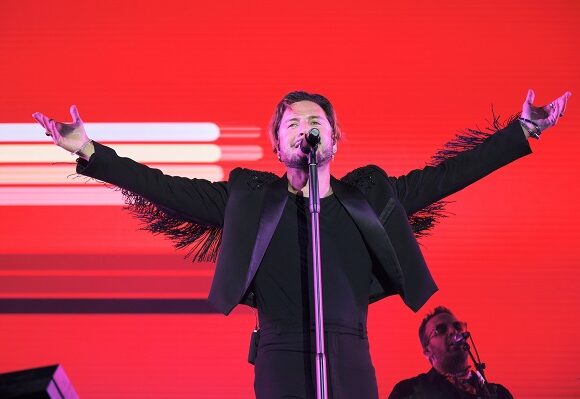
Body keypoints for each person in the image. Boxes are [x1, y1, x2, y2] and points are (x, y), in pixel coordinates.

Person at [32, 89, 570, 399]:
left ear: (334, 138)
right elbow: (165, 189)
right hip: (281, 354)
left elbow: (444, 177)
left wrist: (521, 132)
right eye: (293, 122)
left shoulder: (370, 196)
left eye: (316, 122)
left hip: (351, 353)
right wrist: (92, 152)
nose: (304, 128)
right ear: (276, 141)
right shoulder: (249, 198)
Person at [388, 306, 513, 399]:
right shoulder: (408, 391)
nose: (453, 331)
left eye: (457, 326)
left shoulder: (499, 393)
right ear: (427, 351)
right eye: (441, 329)